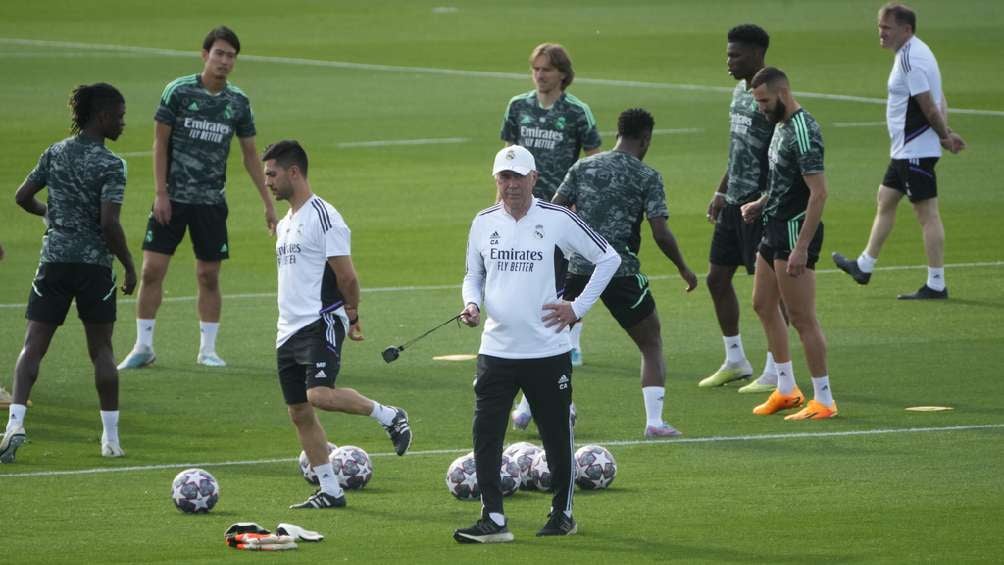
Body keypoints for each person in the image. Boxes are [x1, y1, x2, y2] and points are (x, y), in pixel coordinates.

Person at [453, 145, 620, 543]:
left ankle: (562, 513)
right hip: (495, 349)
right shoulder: (482, 222)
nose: (511, 185)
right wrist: (471, 303)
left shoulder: (558, 219)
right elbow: (471, 275)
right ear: (496, 180)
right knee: (486, 434)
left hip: (546, 350)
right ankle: (493, 519)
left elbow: (608, 258)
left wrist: (577, 308)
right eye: (504, 177)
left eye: (518, 177)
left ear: (534, 179)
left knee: (555, 434)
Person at [262, 140, 412, 509]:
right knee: (299, 411)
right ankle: (330, 490)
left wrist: (352, 314)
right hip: (288, 330)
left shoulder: (324, 216)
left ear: (293, 172)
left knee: (318, 394)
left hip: (321, 320)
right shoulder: (285, 223)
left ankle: (390, 416)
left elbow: (347, 277)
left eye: (271, 174)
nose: (267, 182)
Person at [118, 25, 277, 370]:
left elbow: (250, 155)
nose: (224, 60)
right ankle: (143, 345)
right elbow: (159, 143)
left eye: (230, 56)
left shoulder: (238, 102)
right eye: (218, 53)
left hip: (210, 203)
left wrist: (267, 202)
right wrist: (161, 192)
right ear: (205, 55)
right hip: (172, 199)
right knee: (151, 271)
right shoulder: (178, 91)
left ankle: (208, 349)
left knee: (208, 275)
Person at [1, 83, 136, 463]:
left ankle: (15, 423)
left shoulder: (55, 152)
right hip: (94, 266)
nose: (124, 123)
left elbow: (21, 196)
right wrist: (127, 263)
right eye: (121, 116)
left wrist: (51, 214)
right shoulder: (112, 164)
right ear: (104, 116)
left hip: (55, 261)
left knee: (34, 345)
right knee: (103, 351)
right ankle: (110, 439)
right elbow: (109, 223)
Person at [548, 108, 698, 437]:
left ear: (617, 133)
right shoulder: (647, 176)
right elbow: (660, 232)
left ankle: (538, 408)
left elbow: (554, 213)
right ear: (646, 139)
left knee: (550, 341)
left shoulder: (582, 166)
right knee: (651, 342)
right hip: (621, 270)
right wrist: (683, 268)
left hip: (579, 268)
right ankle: (655, 422)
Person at [832, 3, 966, 299]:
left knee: (927, 214)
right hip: (905, 150)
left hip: (914, 149)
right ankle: (864, 266)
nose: (881, 33)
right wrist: (946, 132)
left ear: (906, 29)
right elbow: (940, 95)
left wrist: (945, 135)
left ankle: (936, 283)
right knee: (886, 198)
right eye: (879, 27)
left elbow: (929, 105)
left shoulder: (910, 59)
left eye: (886, 28)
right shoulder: (915, 51)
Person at [740, 67, 838, 421]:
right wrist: (761, 203)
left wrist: (801, 247)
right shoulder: (780, 126)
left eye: (765, 101)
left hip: (795, 232)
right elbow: (785, 181)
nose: (761, 108)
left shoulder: (803, 130)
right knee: (762, 304)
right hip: (774, 226)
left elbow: (819, 193)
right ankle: (786, 389)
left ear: (782, 93)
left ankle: (824, 399)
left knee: (801, 317)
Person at [501, 42, 602, 371]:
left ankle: (571, 342)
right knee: (527, 269)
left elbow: (594, 160)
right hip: (520, 205)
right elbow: (506, 159)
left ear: (563, 74)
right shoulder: (518, 107)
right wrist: (500, 201)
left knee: (566, 275)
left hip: (561, 208)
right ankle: (528, 334)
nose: (540, 75)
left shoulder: (576, 111)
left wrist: (582, 202)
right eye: (536, 69)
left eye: (546, 69)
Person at [700, 24, 783, 394]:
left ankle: (776, 369)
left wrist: (765, 200)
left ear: (757, 54)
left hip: (758, 205)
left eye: (735, 55)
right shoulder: (738, 91)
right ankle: (735, 360)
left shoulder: (773, 97)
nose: (728, 61)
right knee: (717, 279)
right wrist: (721, 191)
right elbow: (739, 149)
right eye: (727, 53)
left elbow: (781, 157)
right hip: (733, 202)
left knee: (767, 293)